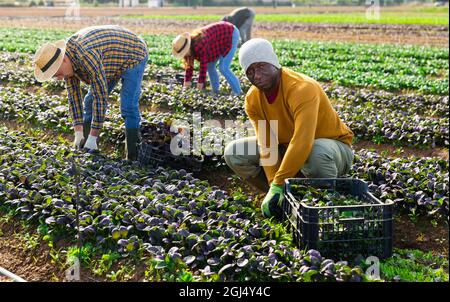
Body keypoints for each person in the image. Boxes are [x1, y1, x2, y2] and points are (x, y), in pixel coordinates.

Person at [224, 38, 355, 218]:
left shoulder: (302, 88)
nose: (257, 76)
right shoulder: (252, 99)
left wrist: (278, 181)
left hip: (332, 150)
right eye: (250, 71)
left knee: (315, 152)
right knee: (235, 152)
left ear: (274, 63)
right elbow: (267, 143)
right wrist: (273, 185)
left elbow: (303, 141)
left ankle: (324, 200)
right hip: (287, 148)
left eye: (261, 66)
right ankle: (284, 198)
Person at [33, 25, 148, 160]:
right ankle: (86, 146)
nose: (59, 77)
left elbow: (100, 95)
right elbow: (73, 97)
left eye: (57, 73)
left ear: (63, 60)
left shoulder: (86, 54)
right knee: (89, 101)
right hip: (110, 61)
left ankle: (133, 157)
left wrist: (94, 136)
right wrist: (78, 132)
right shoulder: (68, 64)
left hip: (133, 54)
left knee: (128, 107)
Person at [172, 21, 242, 95]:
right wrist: (186, 84)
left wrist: (200, 84)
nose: (184, 54)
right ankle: (215, 91)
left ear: (187, 47)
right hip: (217, 39)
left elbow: (203, 65)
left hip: (230, 33)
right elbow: (189, 66)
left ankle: (238, 92)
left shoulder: (200, 43)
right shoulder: (189, 49)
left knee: (223, 68)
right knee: (210, 66)